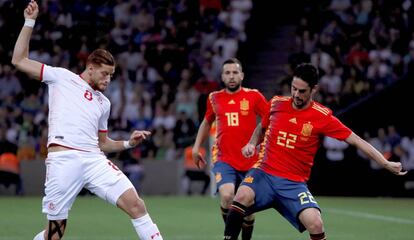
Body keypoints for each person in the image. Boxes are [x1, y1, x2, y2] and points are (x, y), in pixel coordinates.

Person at [11, 1, 163, 240]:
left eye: (111, 76)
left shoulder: (104, 103)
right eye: (104, 74)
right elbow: (19, 60)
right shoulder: (61, 77)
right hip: (64, 160)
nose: (108, 80)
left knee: (136, 205)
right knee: (55, 234)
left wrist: (128, 143)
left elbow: (103, 143)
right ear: (90, 68)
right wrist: (29, 22)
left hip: (94, 159)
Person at [223, 63, 407, 240]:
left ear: (314, 89)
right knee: (241, 196)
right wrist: (251, 143)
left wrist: (384, 163)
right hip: (264, 173)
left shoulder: (322, 116)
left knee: (316, 223)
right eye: (293, 88)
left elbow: (356, 140)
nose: (295, 94)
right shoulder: (276, 104)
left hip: (293, 184)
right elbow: (261, 128)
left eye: (302, 91)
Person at [192, 58, 268, 240]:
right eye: (227, 73)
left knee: (248, 210)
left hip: (250, 161)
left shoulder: (254, 96)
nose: (231, 76)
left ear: (242, 75)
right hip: (224, 158)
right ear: (222, 77)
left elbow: (269, 121)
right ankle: (230, 237)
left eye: (235, 72)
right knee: (227, 196)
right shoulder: (214, 98)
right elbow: (206, 122)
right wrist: (196, 148)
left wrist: (258, 144)